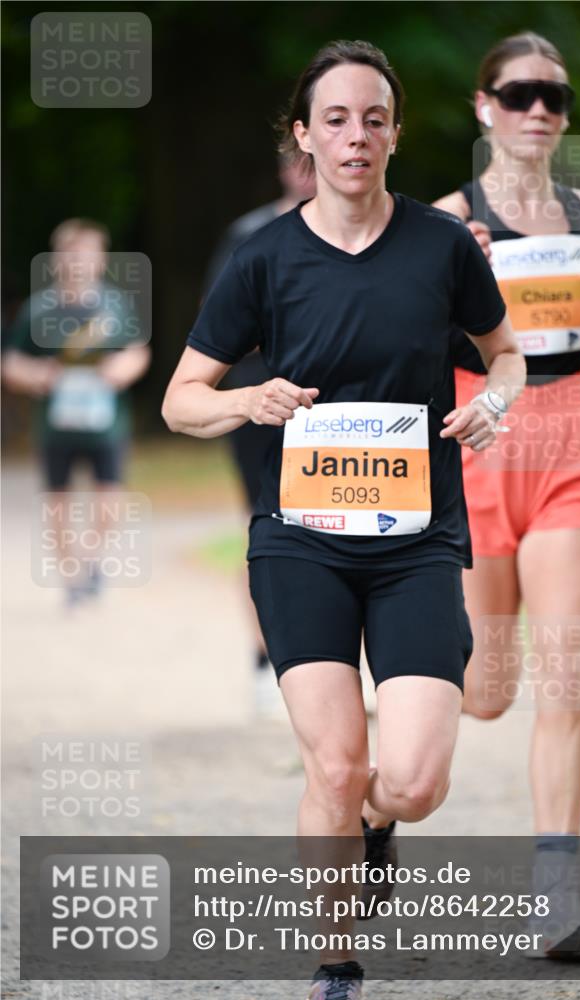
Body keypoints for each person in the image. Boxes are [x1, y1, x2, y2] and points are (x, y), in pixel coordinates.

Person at [163, 40, 525, 999]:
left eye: (372, 118)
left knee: (410, 781)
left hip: (414, 545)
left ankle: (377, 826)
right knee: (334, 760)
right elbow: (181, 400)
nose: (355, 135)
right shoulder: (265, 255)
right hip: (300, 543)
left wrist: (493, 402)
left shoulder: (441, 247)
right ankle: (336, 963)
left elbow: (506, 355)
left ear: (395, 135)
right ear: (304, 135)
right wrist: (250, 400)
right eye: (335, 118)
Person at [433, 31, 580, 963]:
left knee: (562, 676)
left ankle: (556, 900)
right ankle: (378, 788)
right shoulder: (445, 220)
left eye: (554, 98)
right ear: (483, 107)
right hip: (479, 443)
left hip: (571, 442)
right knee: (486, 693)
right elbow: (415, 343)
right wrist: (453, 279)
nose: (539, 111)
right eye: (520, 93)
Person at [203, 158, 316, 712]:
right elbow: (219, 327)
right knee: (266, 528)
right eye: (300, 162)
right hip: (259, 408)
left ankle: (330, 666)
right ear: (283, 166)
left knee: (338, 527)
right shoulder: (249, 235)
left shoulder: (374, 237)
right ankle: (263, 658)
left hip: (331, 410)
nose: (309, 172)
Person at [3, 218, 150, 605]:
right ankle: (72, 579)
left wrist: (122, 370)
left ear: (101, 260)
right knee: (58, 507)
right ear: (58, 260)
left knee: (109, 505)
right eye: (71, 255)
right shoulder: (39, 310)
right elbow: (11, 363)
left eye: (87, 254)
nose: (79, 263)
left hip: (107, 426)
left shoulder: (117, 307)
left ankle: (89, 560)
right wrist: (35, 373)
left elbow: (138, 352)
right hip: (56, 428)